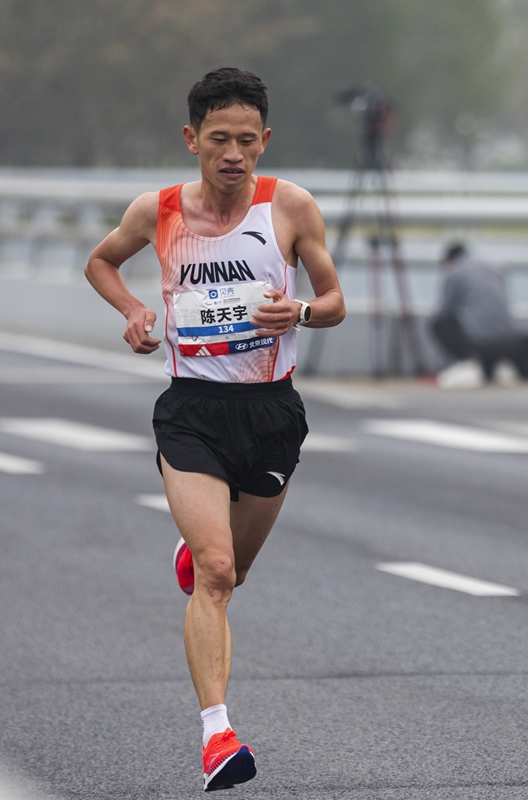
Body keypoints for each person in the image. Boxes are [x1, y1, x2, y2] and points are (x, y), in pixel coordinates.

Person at [83, 68, 346, 791]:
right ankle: (217, 735)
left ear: (266, 140)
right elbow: (101, 262)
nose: (234, 154)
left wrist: (299, 313)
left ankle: (198, 551)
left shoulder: (290, 206)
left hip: (272, 412)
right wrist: (134, 311)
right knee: (218, 572)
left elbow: (334, 300)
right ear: (192, 138)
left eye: (247, 141)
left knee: (236, 570)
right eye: (220, 139)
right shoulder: (158, 211)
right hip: (192, 411)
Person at [430, 242, 521, 388]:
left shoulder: (455, 272)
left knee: (440, 324)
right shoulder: (494, 268)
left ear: (449, 259)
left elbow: (445, 311)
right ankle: (499, 366)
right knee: (483, 324)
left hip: (478, 342)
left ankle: (467, 363)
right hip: (511, 342)